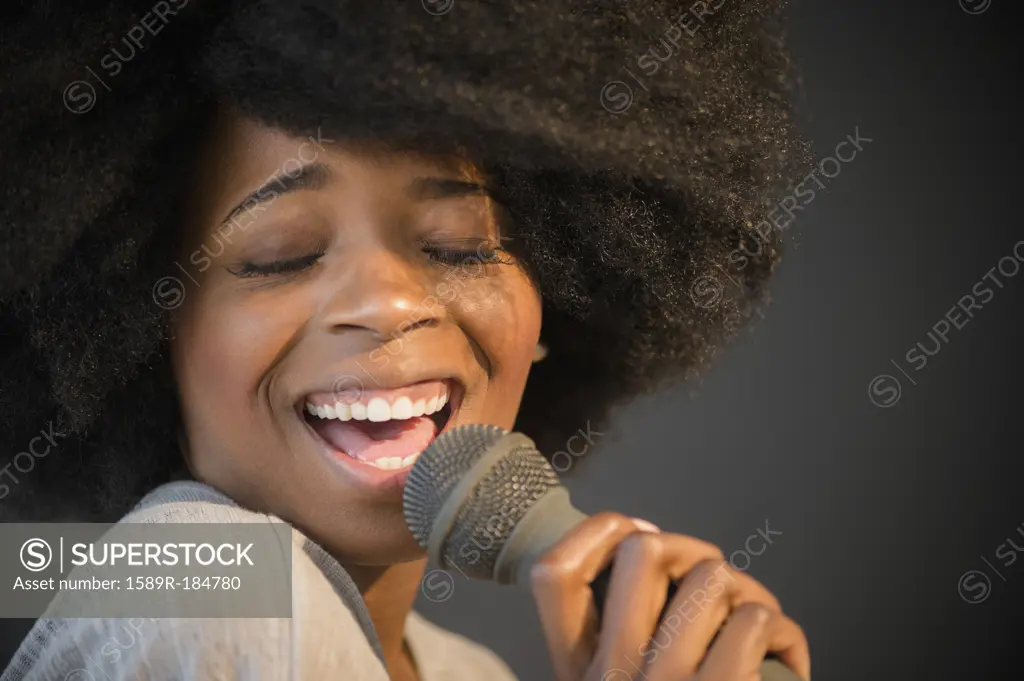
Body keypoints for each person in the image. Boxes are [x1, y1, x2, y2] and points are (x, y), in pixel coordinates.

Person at [0, 1, 812, 679]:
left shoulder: (469, 669)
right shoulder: (215, 586)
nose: (388, 303)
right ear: (140, 336)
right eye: (282, 256)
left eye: (459, 246)